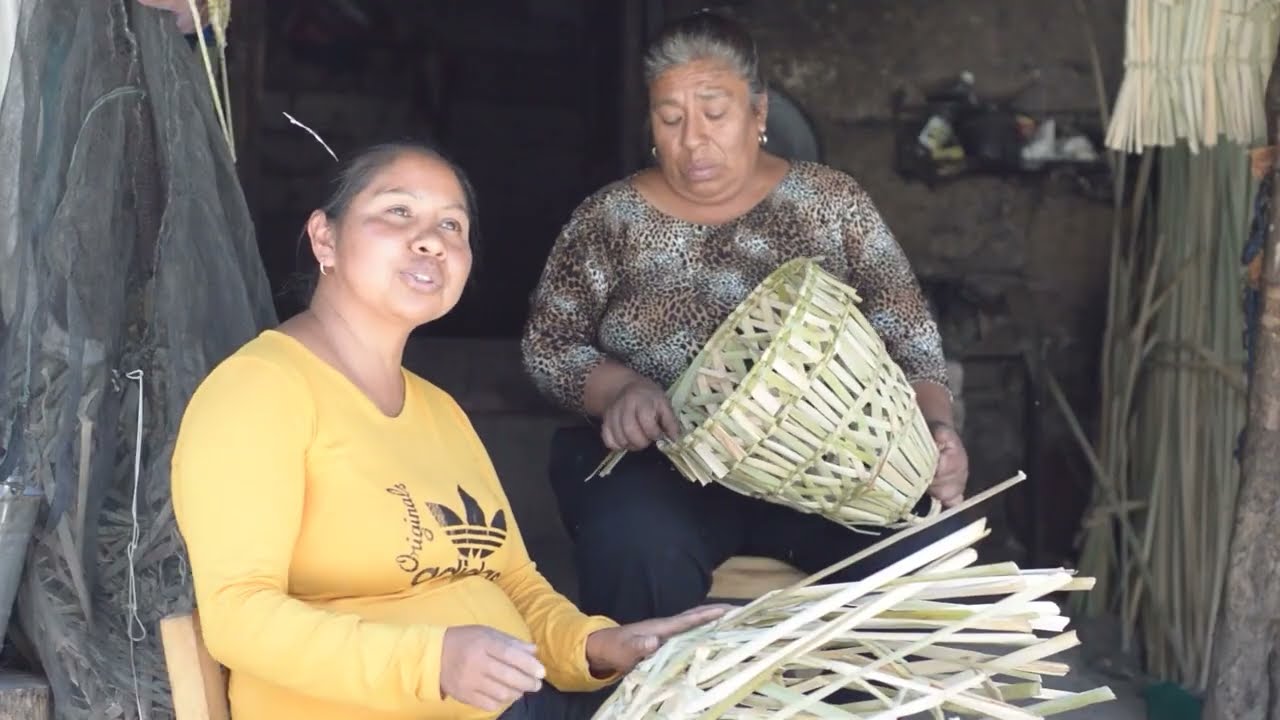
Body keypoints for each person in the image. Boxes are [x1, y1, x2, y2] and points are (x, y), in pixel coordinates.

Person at [170, 142, 725, 720]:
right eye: (398, 212)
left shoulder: (439, 411)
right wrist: (432, 662)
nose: (431, 239)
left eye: (452, 225)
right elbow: (239, 617)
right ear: (324, 239)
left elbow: (516, 586)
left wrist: (603, 645)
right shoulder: (259, 391)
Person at [521, 11, 970, 627]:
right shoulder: (609, 220)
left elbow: (909, 338)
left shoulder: (831, 204)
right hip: (660, 466)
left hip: (822, 467)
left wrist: (938, 435)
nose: (693, 140)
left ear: (758, 114)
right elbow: (550, 346)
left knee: (921, 547)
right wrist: (618, 390)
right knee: (635, 546)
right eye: (671, 119)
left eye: (715, 113)